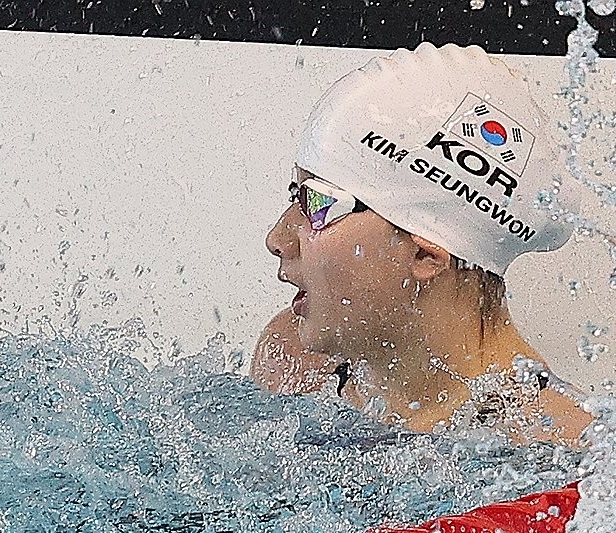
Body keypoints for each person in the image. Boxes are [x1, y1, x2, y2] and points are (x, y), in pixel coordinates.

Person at [252, 42, 593, 445]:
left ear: (424, 255)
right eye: (296, 195)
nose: (277, 239)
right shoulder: (293, 361)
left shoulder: (556, 447)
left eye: (318, 203)